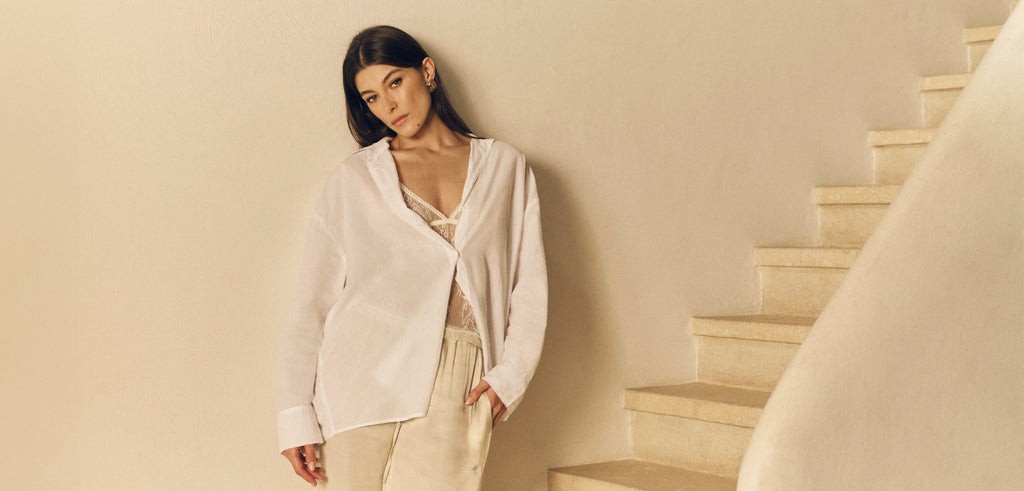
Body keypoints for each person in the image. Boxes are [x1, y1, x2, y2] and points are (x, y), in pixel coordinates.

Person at [276, 25, 548, 490]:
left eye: (395, 82)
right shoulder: (355, 178)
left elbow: (529, 283)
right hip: (361, 374)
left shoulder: (505, 166)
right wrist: (295, 414)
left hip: (462, 377)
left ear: (427, 71)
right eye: (371, 98)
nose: (388, 105)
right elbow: (313, 304)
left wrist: (512, 375)